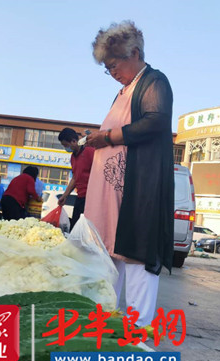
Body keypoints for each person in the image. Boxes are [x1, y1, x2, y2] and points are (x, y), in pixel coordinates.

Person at [84, 21, 174, 327]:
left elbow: (156, 121)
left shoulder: (154, 82)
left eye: (113, 64)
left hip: (138, 193)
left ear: (134, 53)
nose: (111, 72)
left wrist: (107, 138)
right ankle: (106, 329)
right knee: (109, 260)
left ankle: (137, 337)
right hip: (112, 196)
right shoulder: (123, 91)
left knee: (136, 260)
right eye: (106, 68)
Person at [58, 127, 96, 230]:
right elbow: (75, 177)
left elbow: (99, 173)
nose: (66, 148)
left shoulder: (90, 152)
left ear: (74, 141)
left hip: (92, 198)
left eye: (66, 145)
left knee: (87, 231)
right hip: (80, 197)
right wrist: (65, 196)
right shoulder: (73, 157)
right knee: (75, 228)